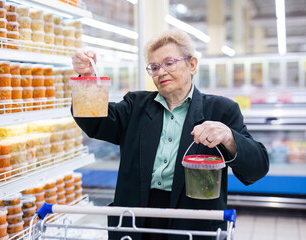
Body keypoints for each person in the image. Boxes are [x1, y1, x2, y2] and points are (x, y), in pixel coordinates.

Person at [71, 29, 269, 240]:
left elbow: (257, 168)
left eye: (169, 63)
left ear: (192, 64)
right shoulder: (135, 106)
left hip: (192, 222)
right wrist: (88, 77)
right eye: (154, 67)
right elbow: (94, 121)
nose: (161, 72)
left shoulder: (221, 110)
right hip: (136, 219)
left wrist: (229, 137)